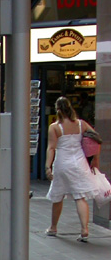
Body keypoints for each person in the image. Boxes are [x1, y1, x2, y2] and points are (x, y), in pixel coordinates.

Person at [45, 96, 98, 242]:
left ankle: (53, 227)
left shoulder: (55, 127)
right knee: (80, 196)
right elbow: (95, 138)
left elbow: (51, 148)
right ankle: (84, 229)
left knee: (58, 196)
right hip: (80, 162)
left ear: (58, 110)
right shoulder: (81, 124)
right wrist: (95, 158)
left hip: (62, 162)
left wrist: (47, 166)